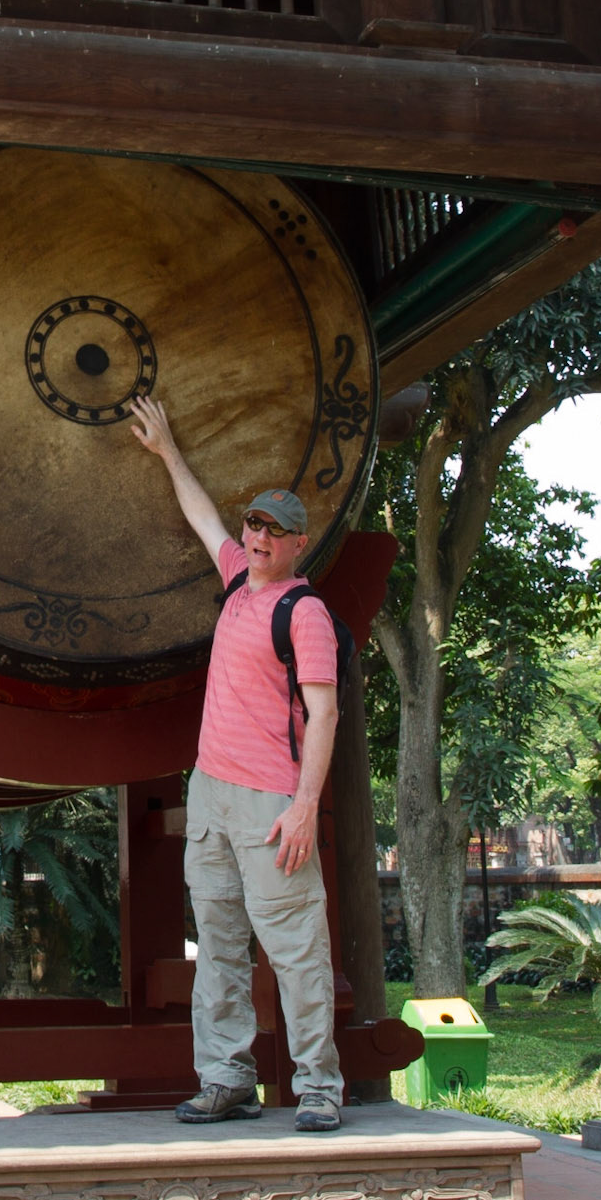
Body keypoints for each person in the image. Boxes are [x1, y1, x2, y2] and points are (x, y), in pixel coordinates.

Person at [129, 395, 343, 1133]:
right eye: (254, 523)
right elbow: (201, 520)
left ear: (297, 544)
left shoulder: (301, 612)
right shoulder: (235, 581)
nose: (256, 537)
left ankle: (317, 1087)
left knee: (292, 949)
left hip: (268, 804)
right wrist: (165, 451)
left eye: (274, 531)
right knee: (217, 949)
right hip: (212, 796)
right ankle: (226, 1079)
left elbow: (324, 715)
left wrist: (304, 806)